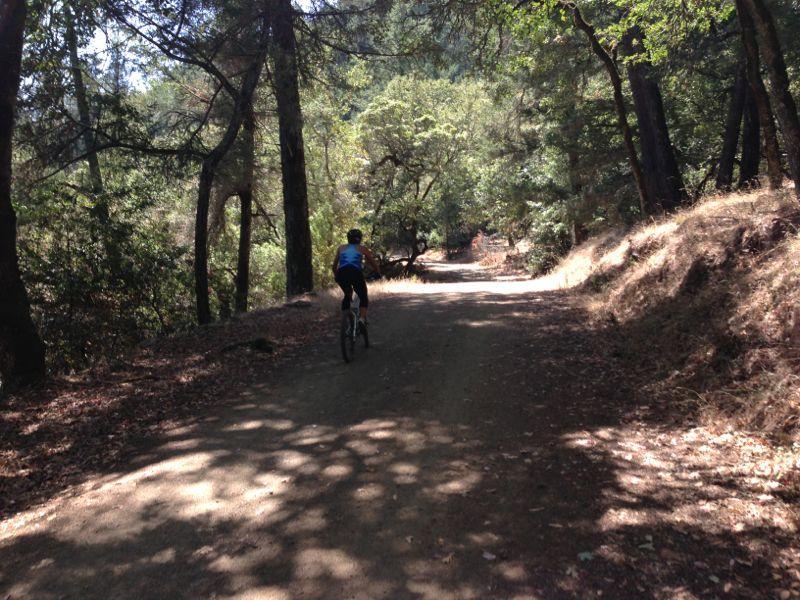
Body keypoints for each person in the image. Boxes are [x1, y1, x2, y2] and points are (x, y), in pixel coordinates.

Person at [332, 229, 381, 331]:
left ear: (348, 238)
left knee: (347, 294)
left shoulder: (341, 248)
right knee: (363, 296)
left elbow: (334, 266)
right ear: (360, 239)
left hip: (342, 273)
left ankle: (345, 320)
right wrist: (378, 273)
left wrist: (336, 276)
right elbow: (373, 262)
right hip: (355, 273)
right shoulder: (362, 248)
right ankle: (362, 320)